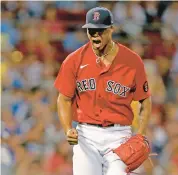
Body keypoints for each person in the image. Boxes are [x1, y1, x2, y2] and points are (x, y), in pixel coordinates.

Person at [54, 7, 152, 175]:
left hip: (119, 135)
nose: (95, 35)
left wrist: (141, 134)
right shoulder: (74, 60)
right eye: (91, 31)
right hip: (86, 135)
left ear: (111, 29)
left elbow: (144, 100)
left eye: (100, 30)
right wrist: (67, 128)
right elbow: (63, 98)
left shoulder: (132, 61)